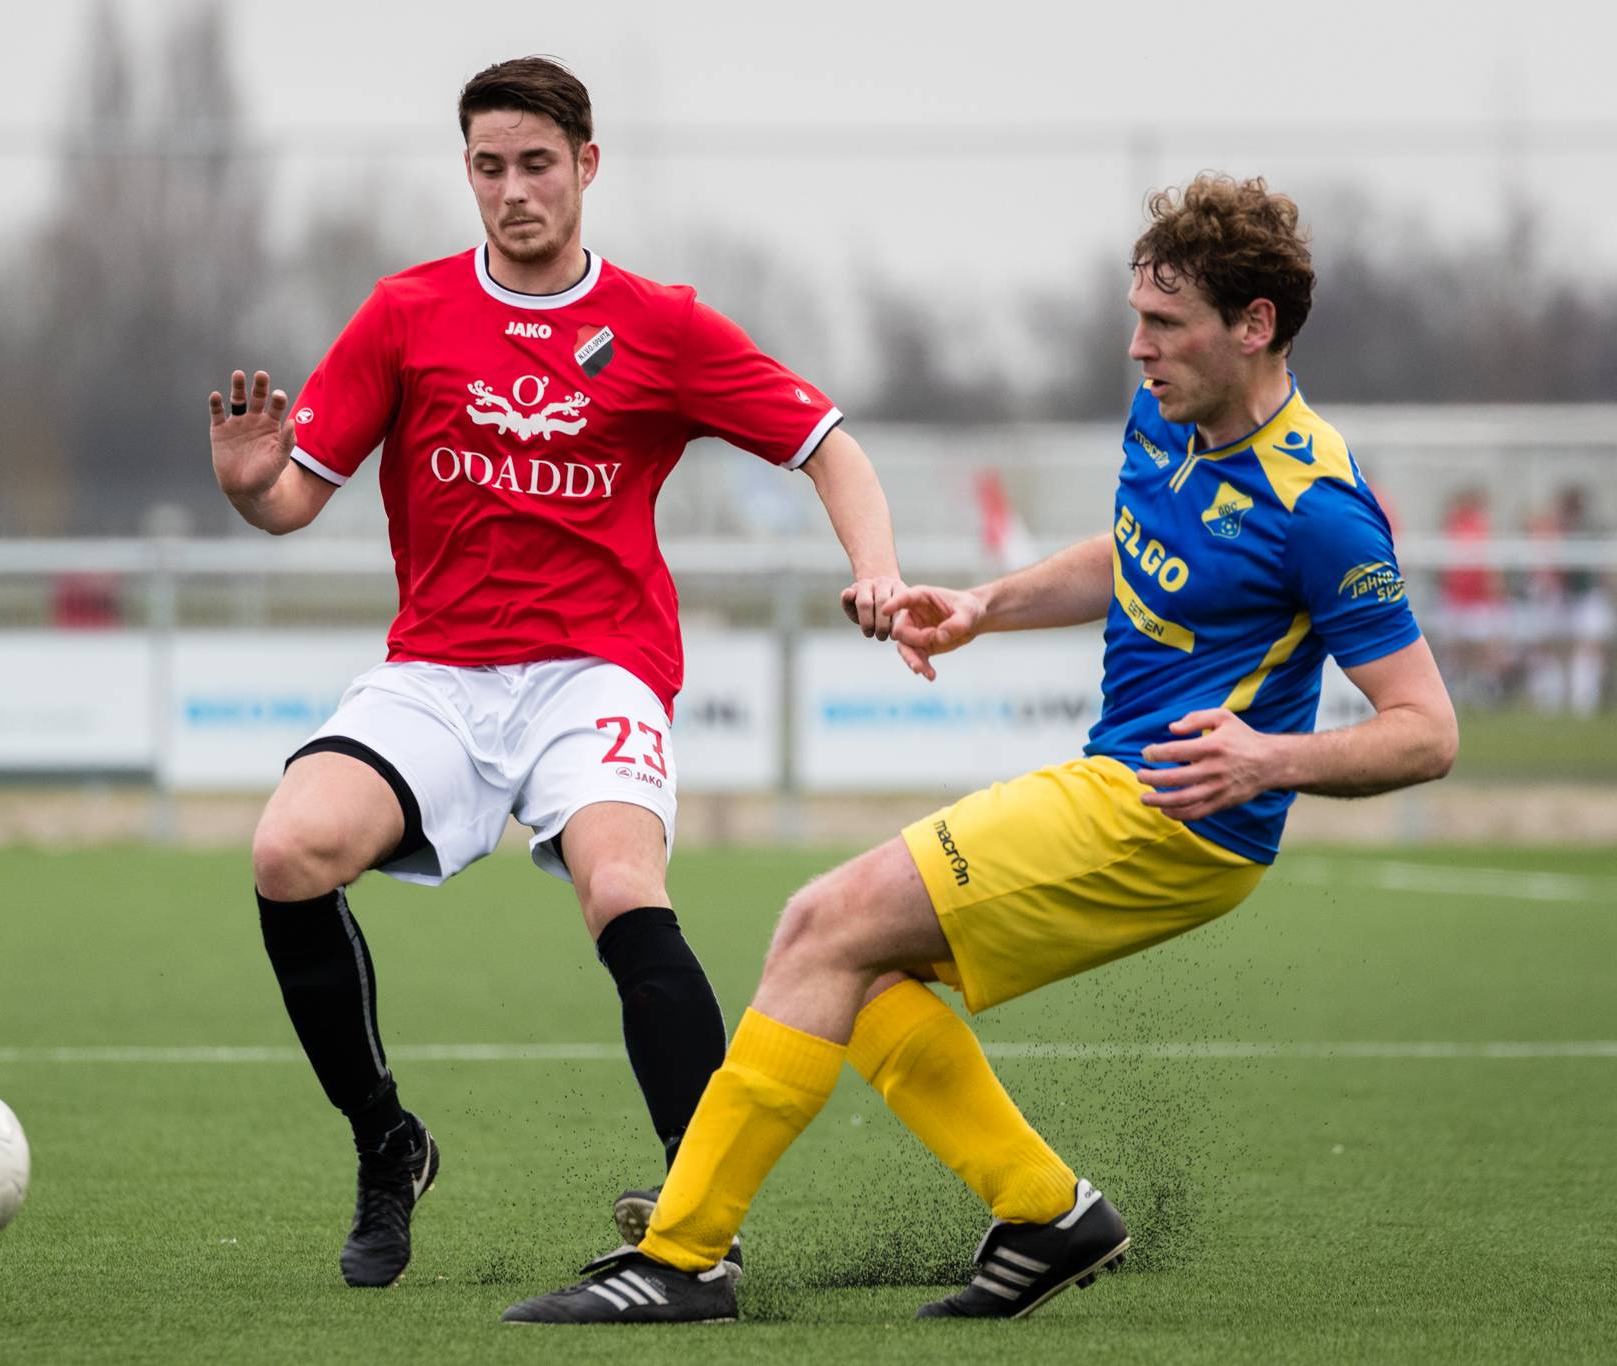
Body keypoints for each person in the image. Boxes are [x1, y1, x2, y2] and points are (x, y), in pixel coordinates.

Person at [503, 174, 1459, 1325]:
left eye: (1164, 324)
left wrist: (1269, 758)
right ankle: (1044, 1211)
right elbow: (1128, 553)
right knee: (860, 969)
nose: (1136, 347)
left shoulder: (1320, 506)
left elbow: (1424, 730)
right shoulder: (1165, 418)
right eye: (1136, 317)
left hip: (1174, 816)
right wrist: (983, 607)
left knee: (818, 923)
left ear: (1253, 325)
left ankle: (683, 1255)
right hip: (1120, 781)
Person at [207, 57, 907, 1289]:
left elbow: (825, 443)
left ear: (586, 164)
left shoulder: (659, 324)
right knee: (285, 852)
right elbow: (292, 502)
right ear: (466, 172)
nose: (512, 190)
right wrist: (247, 488)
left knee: (621, 884)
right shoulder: (406, 313)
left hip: (597, 672)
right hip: (439, 672)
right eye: (489, 167)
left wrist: (877, 570)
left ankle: (699, 1211)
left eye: (536, 164)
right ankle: (387, 1142)